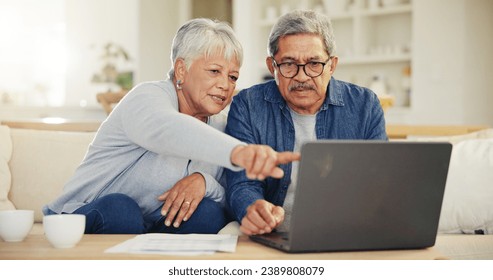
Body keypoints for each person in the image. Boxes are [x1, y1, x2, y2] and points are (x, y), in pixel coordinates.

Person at [43, 18, 299, 235]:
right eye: (214, 71)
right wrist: (239, 152)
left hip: (151, 224)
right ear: (181, 70)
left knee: (209, 213)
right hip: (80, 215)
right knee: (122, 209)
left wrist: (203, 182)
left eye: (232, 77)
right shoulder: (147, 98)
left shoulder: (221, 125)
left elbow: (227, 192)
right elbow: (168, 130)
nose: (225, 84)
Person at [225, 10, 388, 236]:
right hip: (273, 233)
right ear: (272, 67)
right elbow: (241, 183)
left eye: (314, 64)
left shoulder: (365, 105)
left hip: (345, 230)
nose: (302, 77)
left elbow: (379, 181)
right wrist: (252, 208)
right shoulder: (248, 105)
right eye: (289, 64)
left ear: (331, 65)